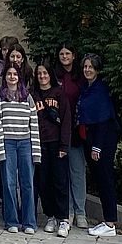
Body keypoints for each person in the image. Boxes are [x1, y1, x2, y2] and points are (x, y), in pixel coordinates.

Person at [0, 64, 41, 233]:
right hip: (7, 143)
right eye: (9, 74)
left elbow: (34, 125)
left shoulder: (27, 98)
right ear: (4, 77)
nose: (12, 77)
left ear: (20, 77)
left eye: (15, 74)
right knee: (9, 183)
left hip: (25, 143)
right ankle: (11, 220)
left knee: (27, 184)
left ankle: (29, 222)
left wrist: (36, 152)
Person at [79, 53, 120, 237]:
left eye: (91, 67)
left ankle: (110, 223)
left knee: (105, 180)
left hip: (102, 140)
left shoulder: (100, 90)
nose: (88, 70)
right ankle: (107, 220)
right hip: (92, 137)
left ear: (97, 70)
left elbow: (103, 120)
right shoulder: (87, 88)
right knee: (100, 179)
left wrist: (97, 147)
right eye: (85, 67)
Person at [51, 43, 87, 231]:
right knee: (62, 175)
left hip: (75, 130)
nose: (64, 56)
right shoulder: (54, 76)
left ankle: (80, 212)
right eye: (61, 53)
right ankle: (68, 212)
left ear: (74, 56)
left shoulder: (80, 77)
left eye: (68, 53)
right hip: (56, 131)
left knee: (77, 172)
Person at [33, 62, 69, 235]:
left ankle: (63, 218)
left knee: (60, 181)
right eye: (39, 73)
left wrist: (64, 145)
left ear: (50, 74)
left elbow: (66, 120)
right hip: (40, 143)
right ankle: (50, 216)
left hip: (56, 142)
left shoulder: (59, 94)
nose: (42, 76)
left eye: (45, 73)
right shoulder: (33, 95)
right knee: (44, 181)